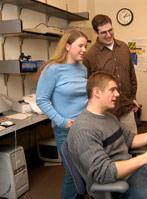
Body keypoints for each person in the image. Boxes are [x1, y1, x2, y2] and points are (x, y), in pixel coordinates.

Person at [67, 72, 147, 199]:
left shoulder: (109, 117)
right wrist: (145, 158)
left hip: (132, 169)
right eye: (112, 90)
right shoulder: (83, 130)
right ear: (96, 92)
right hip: (118, 183)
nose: (117, 94)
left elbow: (131, 139)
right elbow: (104, 173)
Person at [36, 29, 88, 199]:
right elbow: (42, 100)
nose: (84, 50)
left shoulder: (83, 69)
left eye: (85, 46)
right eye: (80, 45)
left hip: (84, 129)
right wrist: (62, 121)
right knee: (72, 175)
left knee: (84, 171)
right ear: (67, 46)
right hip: (65, 130)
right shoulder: (52, 70)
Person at [83, 14, 139, 134]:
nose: (108, 35)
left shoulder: (124, 47)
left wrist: (133, 97)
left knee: (133, 143)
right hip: (105, 112)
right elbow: (88, 86)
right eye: (103, 32)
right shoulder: (90, 55)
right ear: (96, 32)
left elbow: (131, 75)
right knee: (111, 147)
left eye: (110, 30)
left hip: (126, 109)